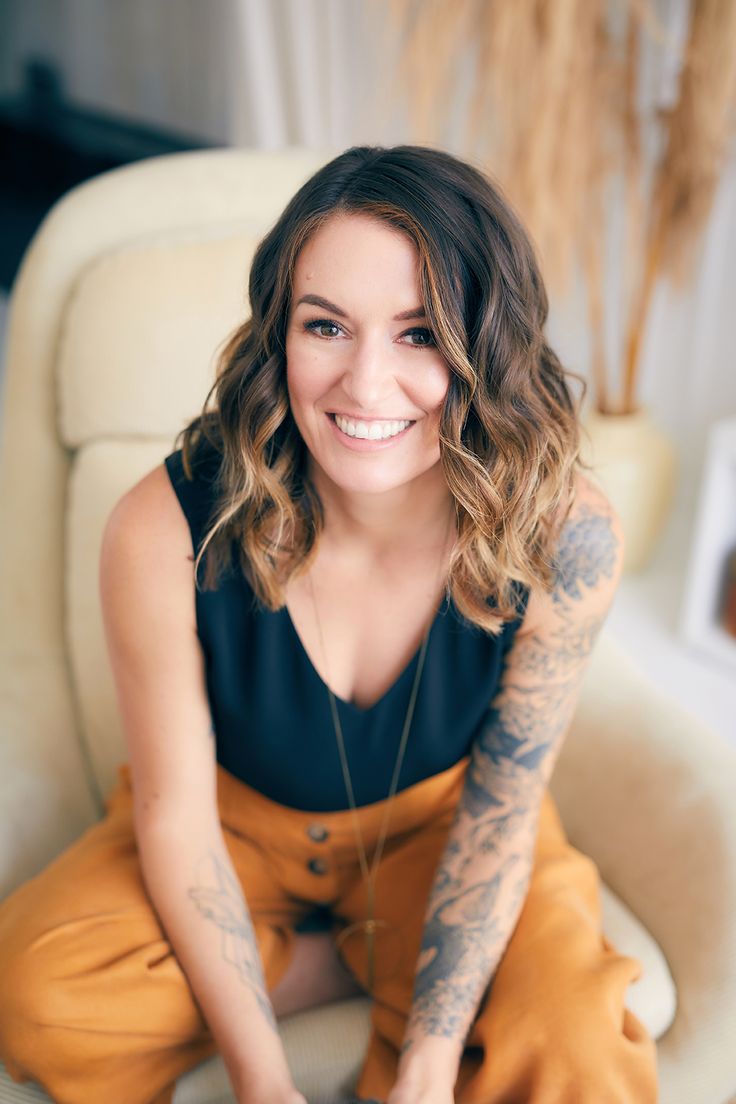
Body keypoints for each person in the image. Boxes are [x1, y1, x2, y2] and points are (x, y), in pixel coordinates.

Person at [0, 144, 659, 1104]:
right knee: (40, 994)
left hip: (442, 829)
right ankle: (359, 961)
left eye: (419, 333)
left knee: (576, 1045)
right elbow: (175, 820)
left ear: (486, 344)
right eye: (327, 326)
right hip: (231, 831)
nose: (364, 382)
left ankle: (393, 963)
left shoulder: (568, 535)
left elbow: (503, 813)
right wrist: (263, 1079)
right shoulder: (162, 529)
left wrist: (432, 1059)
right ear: (279, 334)